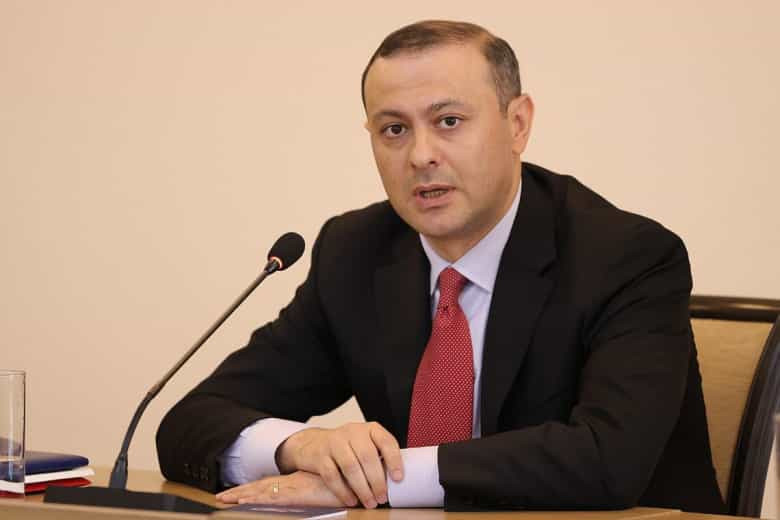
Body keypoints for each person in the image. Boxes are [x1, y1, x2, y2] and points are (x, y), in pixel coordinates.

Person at [156, 20, 725, 513]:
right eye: (394, 129)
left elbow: (607, 458)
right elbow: (191, 420)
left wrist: (381, 481)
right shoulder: (355, 253)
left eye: (449, 121)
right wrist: (297, 448)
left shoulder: (626, 257)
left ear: (518, 124)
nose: (421, 155)